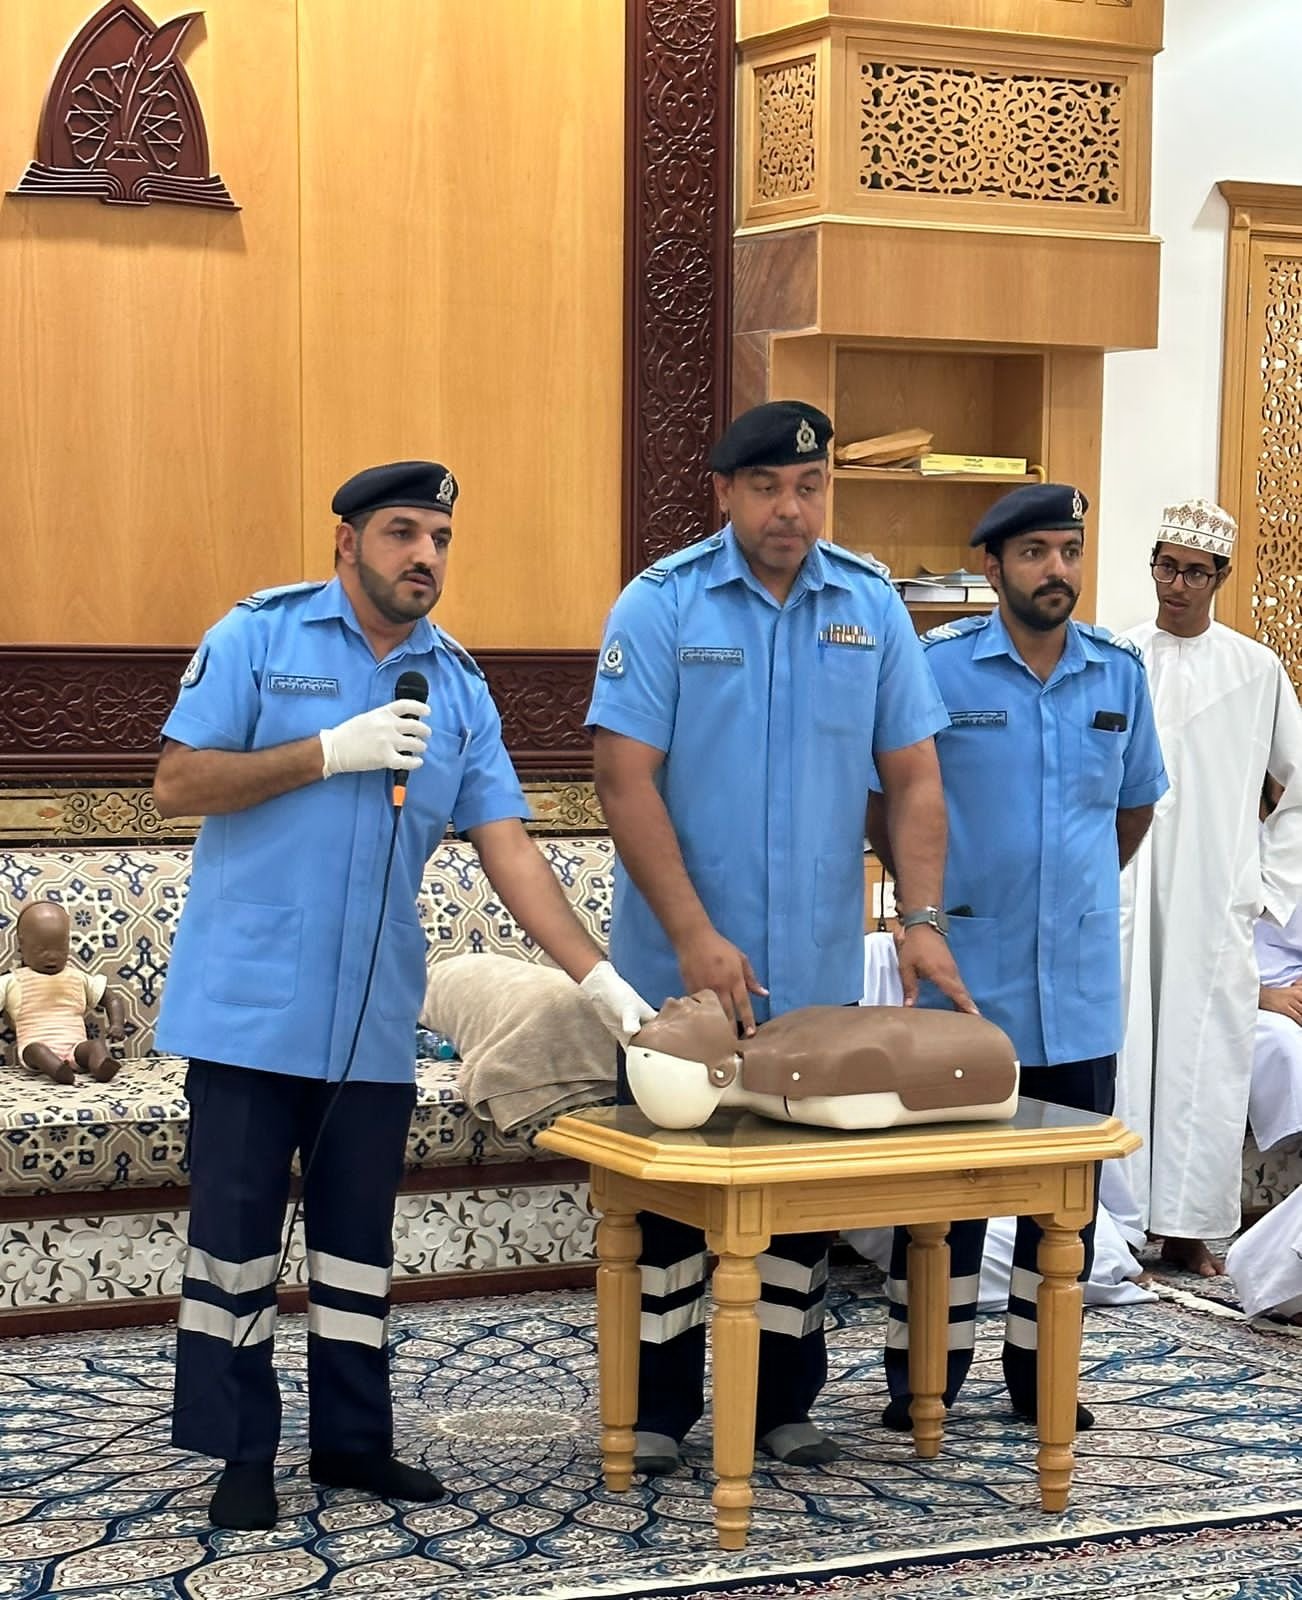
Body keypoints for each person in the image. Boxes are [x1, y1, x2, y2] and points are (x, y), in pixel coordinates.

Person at [153, 459, 652, 1531]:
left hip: (375, 1014)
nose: (426, 556)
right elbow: (177, 782)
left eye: (440, 538)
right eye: (402, 533)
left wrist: (599, 976)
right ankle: (241, 1451)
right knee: (235, 1243)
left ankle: (352, 1443)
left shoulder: (455, 685)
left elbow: (509, 849)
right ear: (347, 542)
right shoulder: (260, 636)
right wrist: (328, 751)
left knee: (355, 1245)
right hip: (246, 1008)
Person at [588, 399, 972, 1475]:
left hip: (814, 975)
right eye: (767, 488)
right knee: (673, 1200)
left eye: (810, 488)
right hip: (678, 977)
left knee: (799, 1201)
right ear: (725, 492)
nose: (791, 509)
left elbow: (914, 778)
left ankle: (779, 1402)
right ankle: (657, 1407)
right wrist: (695, 934)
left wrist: (920, 919)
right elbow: (622, 779)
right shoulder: (662, 604)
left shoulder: (871, 606)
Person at [867, 482, 1168, 1432]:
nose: (1056, 570)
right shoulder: (938, 667)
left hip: (1076, 993)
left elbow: (1134, 808)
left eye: (1069, 551)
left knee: (1062, 1211)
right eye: (1034, 553)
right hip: (966, 984)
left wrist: (1069, 893)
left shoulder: (1118, 673)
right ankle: (925, 1381)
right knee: (945, 1205)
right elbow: (885, 801)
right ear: (991, 566)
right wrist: (931, 903)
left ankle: (1044, 1382)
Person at [1114, 500, 1302, 1277]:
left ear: (1220, 578)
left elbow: (1297, 784)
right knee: (1127, 1048)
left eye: (1194, 572)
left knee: (1203, 1054)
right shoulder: (1119, 656)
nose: (1177, 584)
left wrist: (1267, 883)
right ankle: (1116, 1230)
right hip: (1128, 884)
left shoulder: (1255, 670)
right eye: (1166, 566)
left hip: (1215, 895)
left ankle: (1188, 1230)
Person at [1, 901, 126, 1083]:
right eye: (41, 950)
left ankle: (100, 1066)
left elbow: (111, 999)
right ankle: (57, 1070)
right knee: (37, 1050)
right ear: (22, 944)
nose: (52, 956)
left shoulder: (78, 977)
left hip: (76, 1047)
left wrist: (117, 1024)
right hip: (34, 1047)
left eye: (60, 949)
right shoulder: (12, 981)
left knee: (95, 1046)